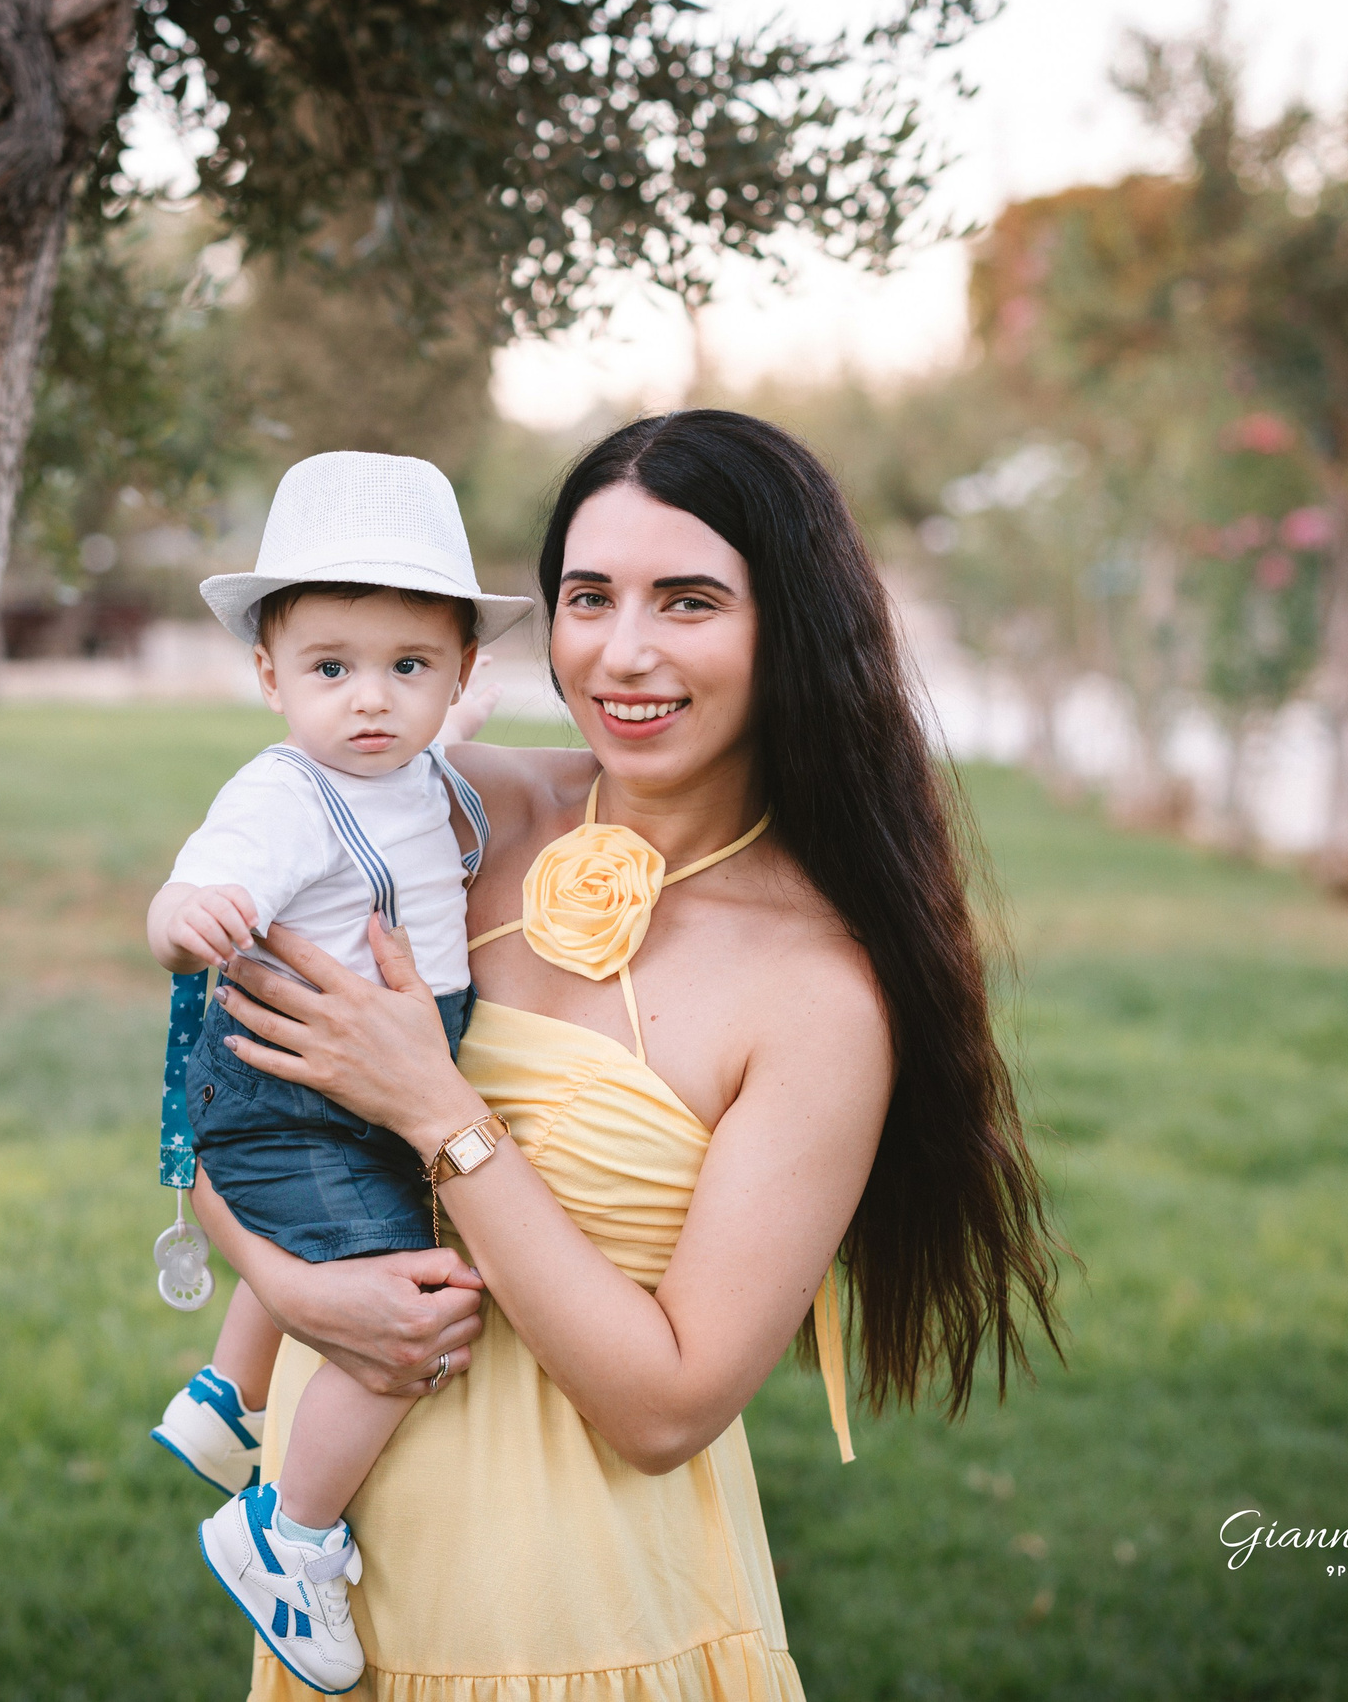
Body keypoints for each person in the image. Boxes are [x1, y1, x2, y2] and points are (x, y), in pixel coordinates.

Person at [190, 410, 1068, 1699]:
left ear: (793, 626)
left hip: (592, 1623)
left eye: (689, 599)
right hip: (337, 1594)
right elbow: (218, 1105)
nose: (623, 650)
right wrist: (292, 1287)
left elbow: (667, 1408)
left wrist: (438, 1109)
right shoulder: (443, 814)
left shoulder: (820, 989)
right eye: (590, 596)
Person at [145, 451, 532, 1694]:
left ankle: (228, 1392)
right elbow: (195, 887)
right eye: (330, 669)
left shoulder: (409, 759)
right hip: (290, 1092)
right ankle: (286, 1531)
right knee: (406, 1312)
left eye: (408, 667)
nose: (370, 700)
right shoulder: (284, 796)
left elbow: (424, 734)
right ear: (269, 675)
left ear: (457, 674)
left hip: (364, 1080)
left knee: (346, 1212)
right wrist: (191, 919)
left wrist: (445, 717)